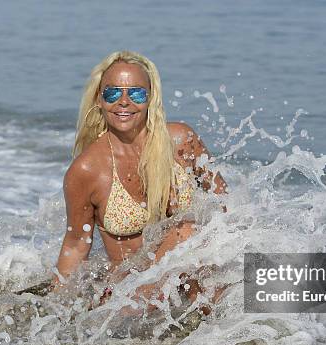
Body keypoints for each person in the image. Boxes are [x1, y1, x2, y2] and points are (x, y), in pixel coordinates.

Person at [50, 51, 227, 311]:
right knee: (185, 231)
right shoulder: (87, 170)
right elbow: (76, 245)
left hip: (194, 281)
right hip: (133, 295)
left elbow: (225, 205)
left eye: (136, 93)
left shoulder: (182, 142)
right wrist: (53, 308)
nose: (124, 102)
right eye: (113, 93)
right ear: (99, 99)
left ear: (150, 98)